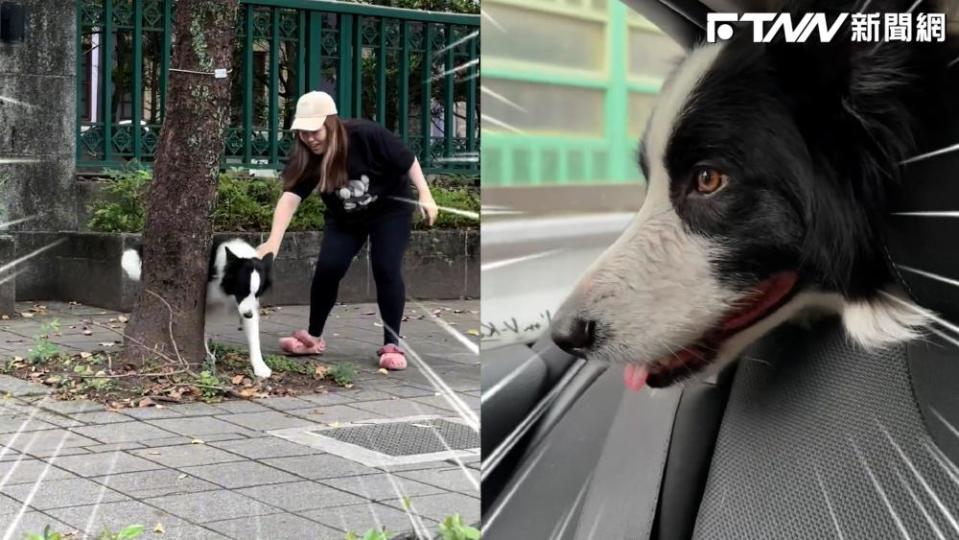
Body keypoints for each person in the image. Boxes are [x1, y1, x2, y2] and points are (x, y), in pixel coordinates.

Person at [256, 91, 438, 370]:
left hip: (390, 211)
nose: (309, 138)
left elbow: (408, 160)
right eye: (302, 133)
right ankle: (313, 338)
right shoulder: (307, 156)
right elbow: (290, 199)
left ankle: (392, 344)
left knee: (385, 267)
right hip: (345, 219)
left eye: (314, 131)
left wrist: (425, 195)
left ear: (330, 123)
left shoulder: (366, 134)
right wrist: (273, 241)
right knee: (328, 267)